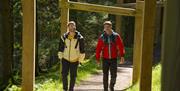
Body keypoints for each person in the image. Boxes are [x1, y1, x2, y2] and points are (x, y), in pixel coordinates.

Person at [96, 21, 125, 91]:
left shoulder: (116, 36)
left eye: (108, 27)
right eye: (105, 27)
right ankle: (105, 89)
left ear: (111, 27)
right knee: (105, 75)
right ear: (104, 28)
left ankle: (111, 86)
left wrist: (122, 56)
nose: (107, 28)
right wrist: (97, 59)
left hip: (113, 59)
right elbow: (98, 49)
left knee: (114, 75)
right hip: (105, 59)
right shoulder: (102, 37)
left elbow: (121, 46)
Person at [58, 21, 85, 91]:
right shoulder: (64, 37)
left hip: (75, 59)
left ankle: (71, 89)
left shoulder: (80, 38)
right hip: (65, 58)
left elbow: (82, 50)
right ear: (68, 27)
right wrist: (60, 57)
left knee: (73, 76)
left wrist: (80, 60)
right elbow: (60, 48)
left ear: (75, 27)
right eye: (70, 26)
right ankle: (65, 89)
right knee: (64, 75)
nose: (71, 27)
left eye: (73, 26)